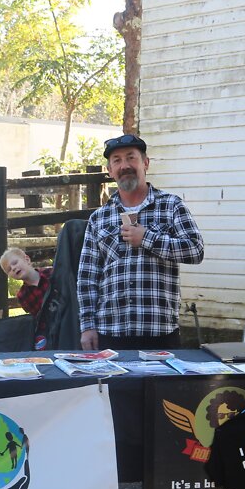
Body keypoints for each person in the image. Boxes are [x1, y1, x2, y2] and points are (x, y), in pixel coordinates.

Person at [77, 134, 204, 350]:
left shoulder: (171, 206)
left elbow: (195, 250)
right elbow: (87, 278)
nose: (124, 165)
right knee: (114, 386)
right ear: (110, 171)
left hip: (159, 332)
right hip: (111, 332)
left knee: (161, 385)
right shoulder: (99, 218)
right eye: (117, 160)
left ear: (145, 163)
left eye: (131, 158)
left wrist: (147, 238)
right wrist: (87, 326)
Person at [0, 247, 54, 349]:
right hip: (47, 330)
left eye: (15, 263)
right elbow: (37, 318)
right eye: (9, 270)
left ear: (27, 260)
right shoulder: (22, 295)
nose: (13, 268)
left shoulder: (52, 274)